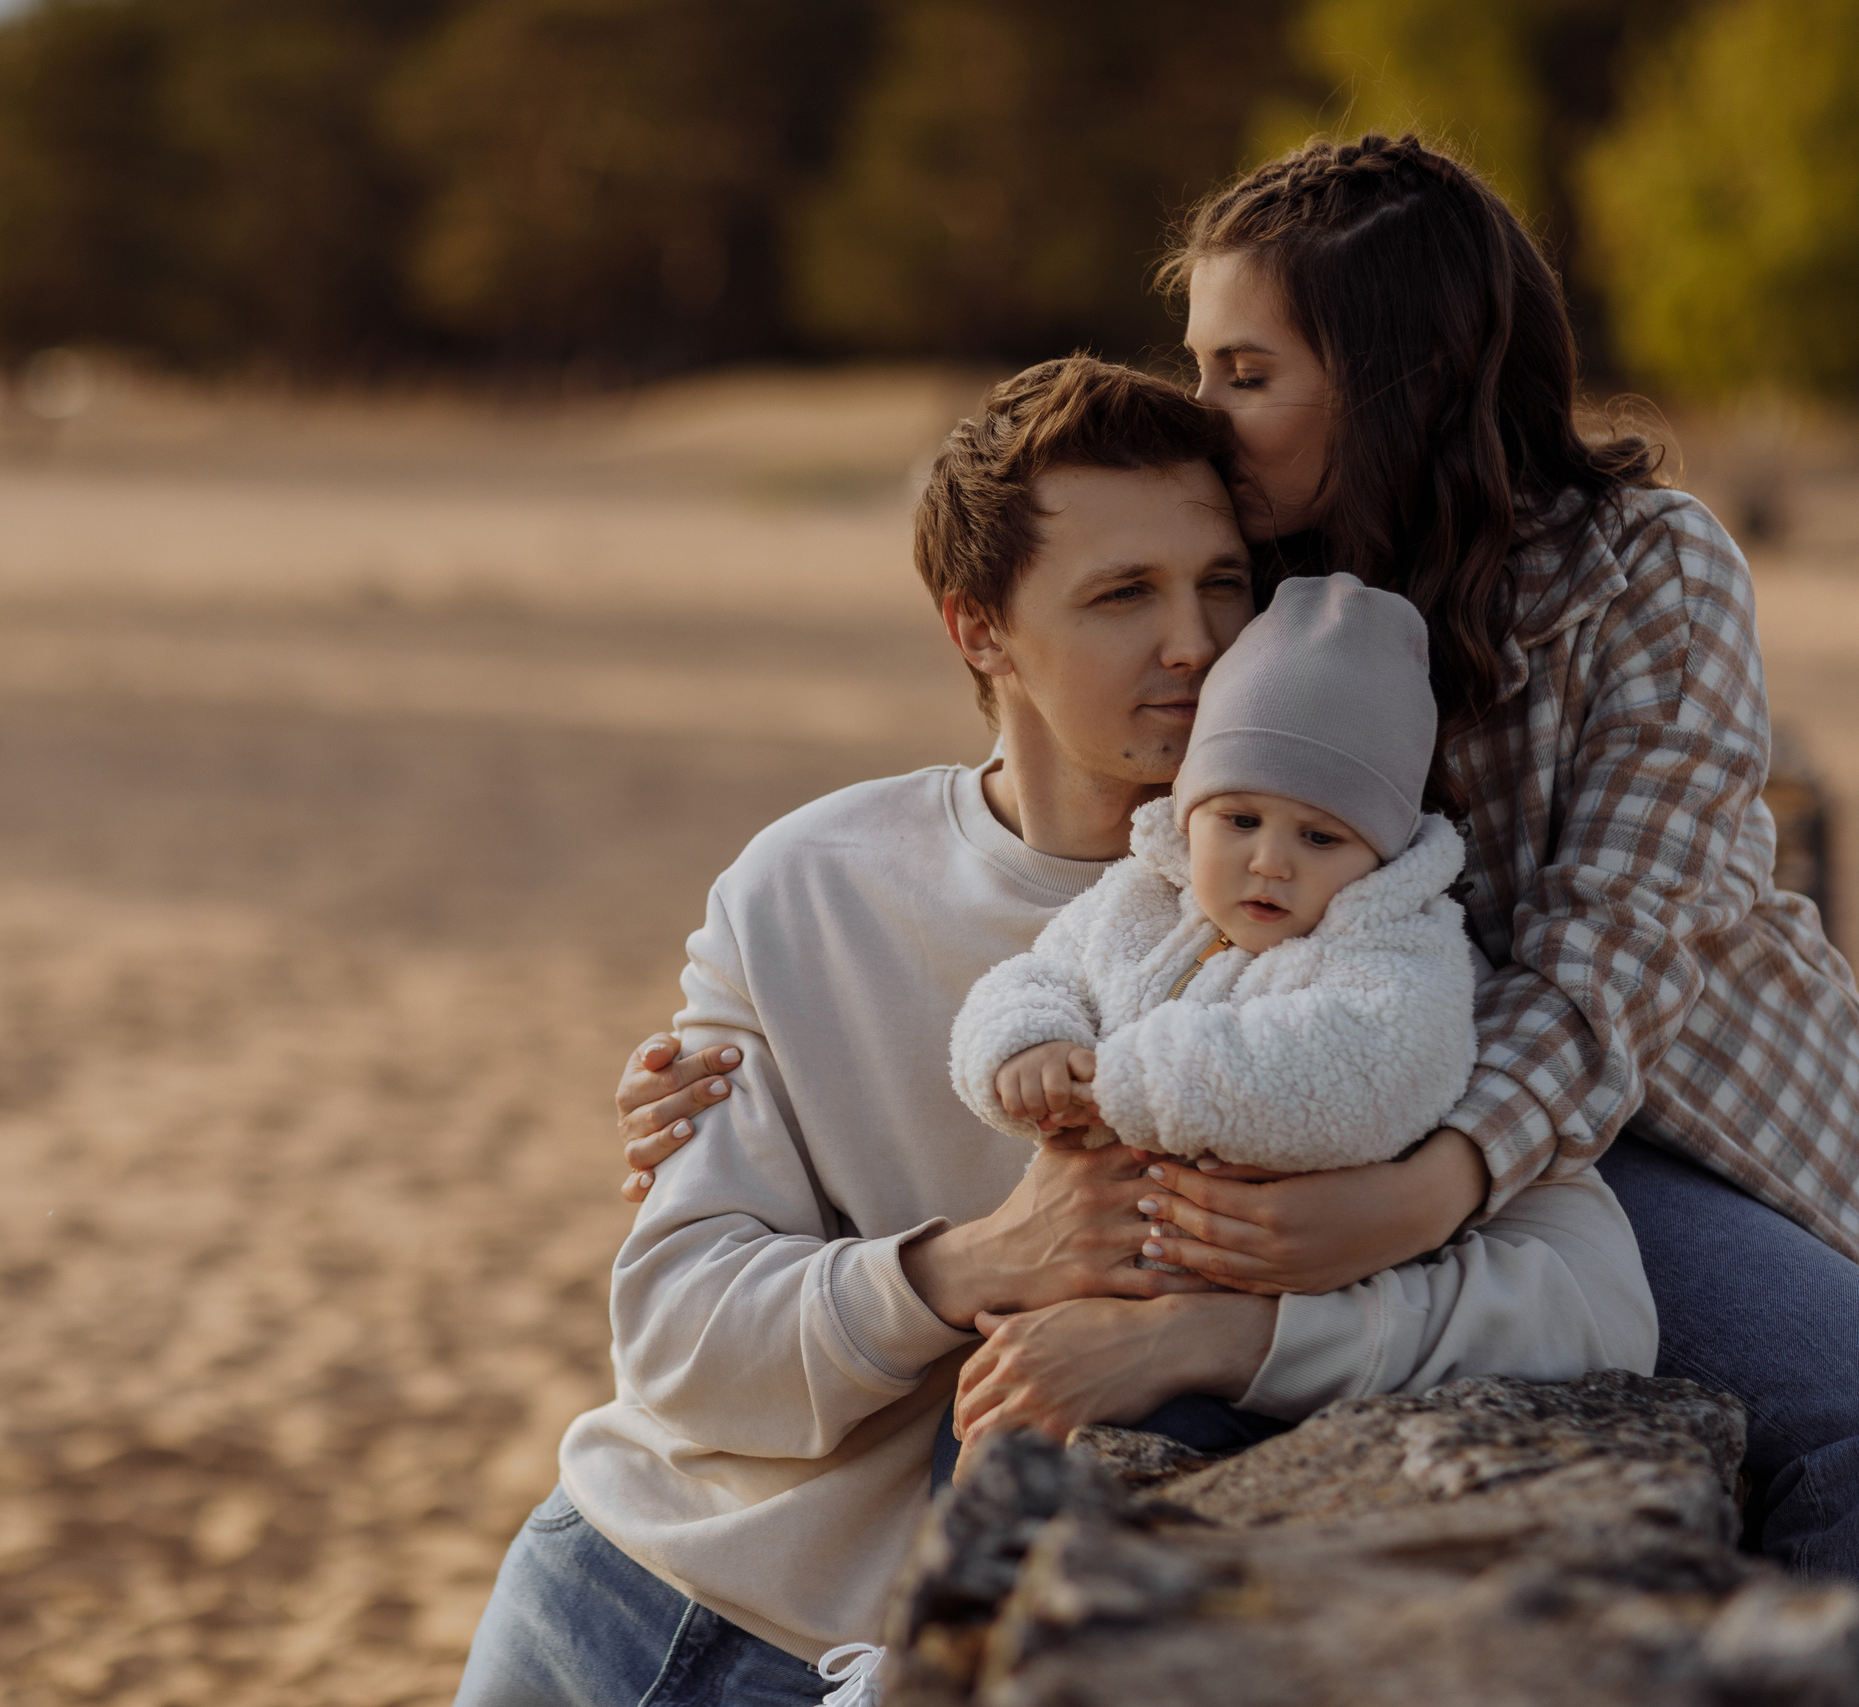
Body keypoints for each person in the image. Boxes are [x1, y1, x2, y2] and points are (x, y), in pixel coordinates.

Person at [620, 134, 1859, 1577]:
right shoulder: (1263, 579)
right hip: (1373, 1070)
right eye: (1199, 365)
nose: (1203, 411)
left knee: (1840, 1420)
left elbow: (1614, 959)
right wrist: (732, 1065)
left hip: (1655, 1107)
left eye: (1245, 374)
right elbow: (1082, 769)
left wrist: (1425, 1188)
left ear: (1403, 376)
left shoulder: (1645, 568)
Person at [452, 357, 1654, 1707]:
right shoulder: (803, 883)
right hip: (611, 1590)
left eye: (1220, 584)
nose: (1193, 642)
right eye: (1122, 594)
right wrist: (974, 1262)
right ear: (979, 631)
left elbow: (1589, 1300)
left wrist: (1227, 1334)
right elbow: (676, 1343)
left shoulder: (1351, 918)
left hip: (930, 1660)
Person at [957, 572, 1481, 1178]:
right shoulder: (1139, 899)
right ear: (1189, 812)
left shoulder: (1398, 952)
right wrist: (1030, 1047)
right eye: (1241, 820)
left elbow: (1368, 1068)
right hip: (1101, 1226)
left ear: (1382, 853)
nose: (1269, 862)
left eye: (1320, 837)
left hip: (1275, 1234)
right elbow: (1037, 976)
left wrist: (1131, 1083)